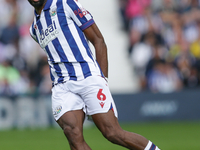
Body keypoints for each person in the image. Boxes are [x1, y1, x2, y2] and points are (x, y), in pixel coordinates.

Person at [27, 0, 161, 149]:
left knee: (112, 133)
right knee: (73, 135)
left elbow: (98, 40)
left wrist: (102, 80)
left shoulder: (65, 4)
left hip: (87, 77)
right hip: (62, 86)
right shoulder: (34, 29)